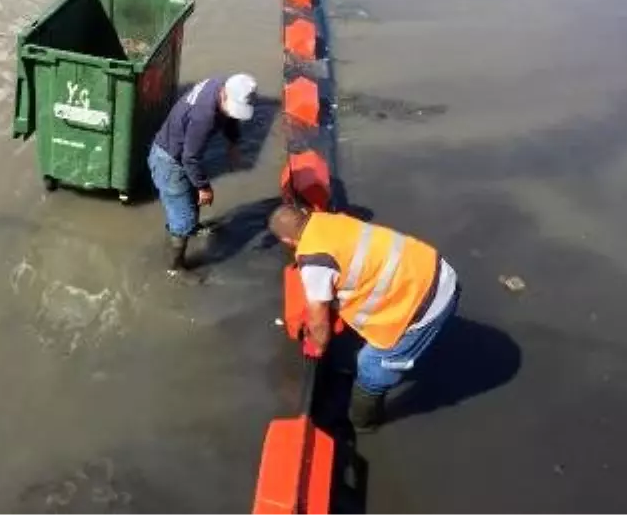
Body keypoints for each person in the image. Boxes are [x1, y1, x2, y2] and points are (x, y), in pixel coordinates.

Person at [268, 205, 460, 432]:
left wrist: (317, 347)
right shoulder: (329, 221)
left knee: (371, 365)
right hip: (436, 269)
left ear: (288, 241)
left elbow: (319, 323)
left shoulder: (314, 262)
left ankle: (363, 422)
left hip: (428, 304)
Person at [148, 74, 258, 276]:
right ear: (224, 95)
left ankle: (191, 227)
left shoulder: (222, 84)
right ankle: (175, 268)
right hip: (170, 162)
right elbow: (190, 158)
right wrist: (204, 187)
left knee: (189, 204)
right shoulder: (204, 116)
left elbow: (229, 117)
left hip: (181, 156)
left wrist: (233, 143)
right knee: (183, 217)